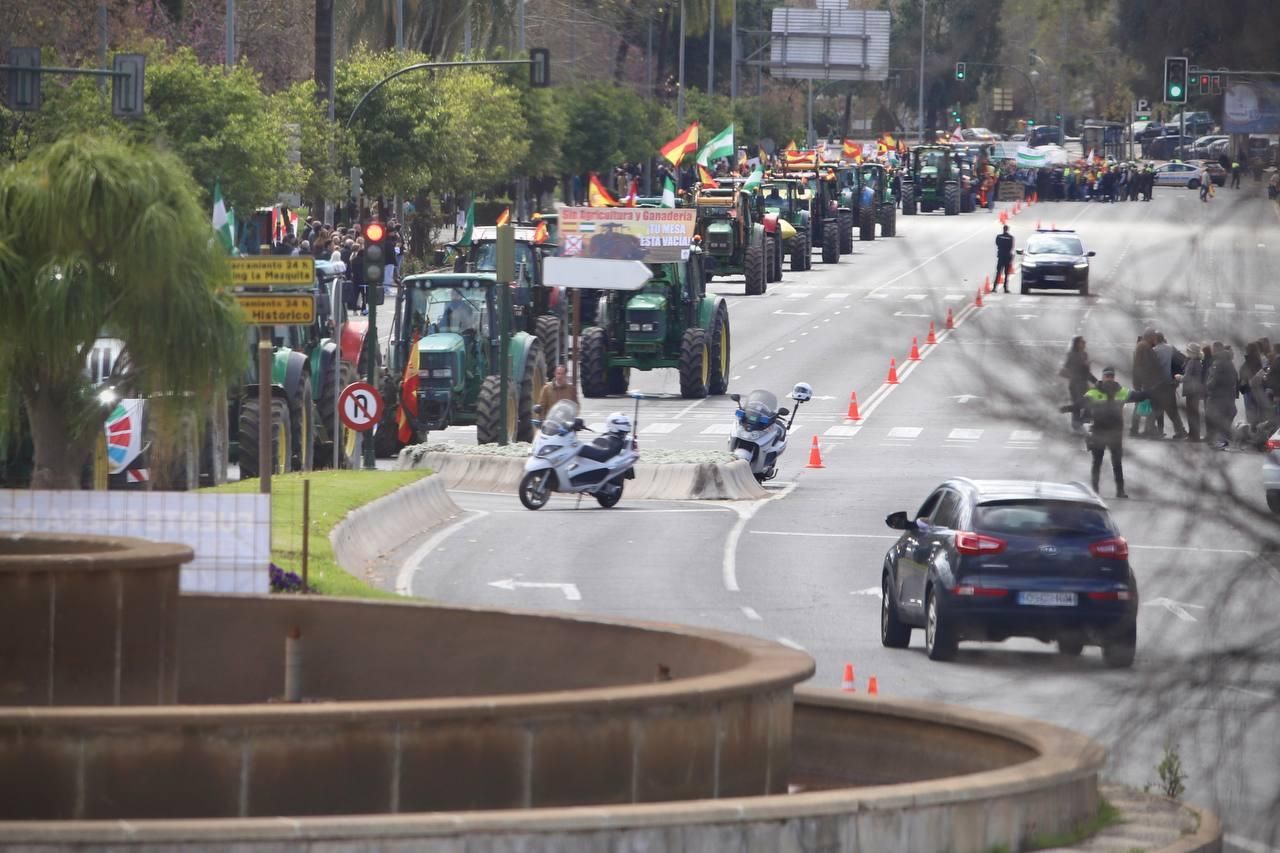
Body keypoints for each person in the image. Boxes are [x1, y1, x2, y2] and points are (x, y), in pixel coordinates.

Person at [1083, 367, 1144, 499]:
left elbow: (1138, 396)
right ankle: (1094, 491)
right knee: (1097, 462)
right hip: (1098, 432)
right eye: (1107, 376)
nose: (1109, 378)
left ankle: (1120, 491)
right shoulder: (1093, 393)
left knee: (1117, 463)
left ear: (1114, 377)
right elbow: (1083, 407)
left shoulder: (1121, 391)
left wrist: (1153, 391)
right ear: (1103, 377)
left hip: (1115, 433)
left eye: (1111, 376)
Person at [1206, 342, 1239, 450]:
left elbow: (1214, 380)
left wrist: (1206, 387)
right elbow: (1234, 378)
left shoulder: (1218, 363)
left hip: (1217, 396)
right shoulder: (1230, 363)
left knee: (1214, 418)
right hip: (1228, 395)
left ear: (1215, 349)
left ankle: (1218, 441)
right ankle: (1222, 439)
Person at [1061, 336, 1096, 433]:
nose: (1084, 343)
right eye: (1082, 342)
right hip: (1075, 384)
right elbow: (1066, 368)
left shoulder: (1084, 354)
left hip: (1083, 384)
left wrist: (1095, 381)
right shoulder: (1071, 355)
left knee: (1087, 402)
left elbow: (1086, 372)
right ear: (1076, 344)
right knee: (1077, 404)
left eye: (1084, 342)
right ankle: (1076, 424)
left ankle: (1081, 421)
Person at [1180, 343, 1209, 443]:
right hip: (1196, 390)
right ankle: (1194, 435)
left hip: (1191, 390)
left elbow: (1187, 377)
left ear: (1192, 352)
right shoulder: (1198, 361)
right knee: (1194, 413)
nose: (1187, 352)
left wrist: (1179, 378)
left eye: (1188, 351)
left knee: (1191, 414)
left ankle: (1193, 435)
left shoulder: (1192, 362)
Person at [994, 225, 1014, 293]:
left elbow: (997, 243)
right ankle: (1005, 288)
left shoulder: (999, 236)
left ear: (1003, 229)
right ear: (1008, 229)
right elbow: (1011, 247)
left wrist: (1001, 249)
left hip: (1001, 256)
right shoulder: (1010, 237)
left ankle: (994, 287)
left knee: (998, 272)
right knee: (1006, 274)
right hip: (1007, 257)